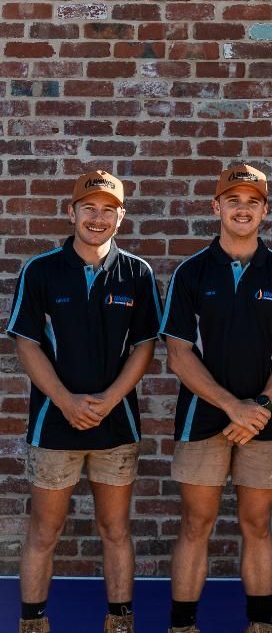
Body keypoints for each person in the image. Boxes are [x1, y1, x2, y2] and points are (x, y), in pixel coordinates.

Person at [160, 165, 272, 633]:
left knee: (257, 525)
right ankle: (184, 626)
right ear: (216, 207)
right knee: (195, 525)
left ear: (265, 210)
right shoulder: (191, 272)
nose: (242, 208)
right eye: (233, 200)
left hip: (264, 421)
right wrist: (233, 407)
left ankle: (260, 624)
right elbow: (178, 355)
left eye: (252, 201)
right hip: (202, 421)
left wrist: (261, 408)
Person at [8, 170, 160, 633]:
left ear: (121, 217)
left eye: (108, 209)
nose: (98, 217)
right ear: (71, 212)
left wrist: (111, 399)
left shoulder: (138, 273)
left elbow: (145, 346)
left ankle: (119, 622)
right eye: (89, 208)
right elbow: (27, 344)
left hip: (116, 427)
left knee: (115, 531)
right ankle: (33, 624)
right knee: (44, 532)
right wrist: (66, 402)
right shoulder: (41, 270)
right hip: (54, 426)